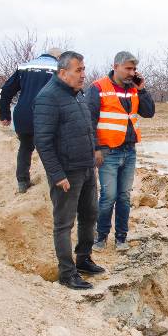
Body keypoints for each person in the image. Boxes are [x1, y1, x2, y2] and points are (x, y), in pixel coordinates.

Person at [33, 51, 104, 290]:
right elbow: (43, 141)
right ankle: (67, 273)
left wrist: (94, 150)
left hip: (85, 167)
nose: (83, 75)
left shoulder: (77, 94)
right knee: (64, 224)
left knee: (90, 215)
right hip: (66, 172)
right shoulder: (48, 98)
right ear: (63, 73)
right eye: (79, 70)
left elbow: (86, 126)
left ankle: (83, 259)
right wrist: (57, 175)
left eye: (84, 69)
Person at [86, 51, 154, 252]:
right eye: (128, 68)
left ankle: (121, 237)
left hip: (129, 150)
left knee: (124, 196)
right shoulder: (98, 88)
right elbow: (89, 121)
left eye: (134, 69)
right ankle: (100, 236)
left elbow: (149, 112)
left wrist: (142, 90)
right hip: (108, 152)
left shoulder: (134, 89)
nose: (132, 73)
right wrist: (96, 148)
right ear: (115, 66)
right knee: (109, 196)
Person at [0, 47, 61, 193]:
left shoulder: (25, 66)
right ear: (58, 57)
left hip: (22, 115)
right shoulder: (59, 68)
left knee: (25, 147)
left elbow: (6, 90)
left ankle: (22, 182)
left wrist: (5, 114)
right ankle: (55, 182)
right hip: (45, 115)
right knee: (51, 149)